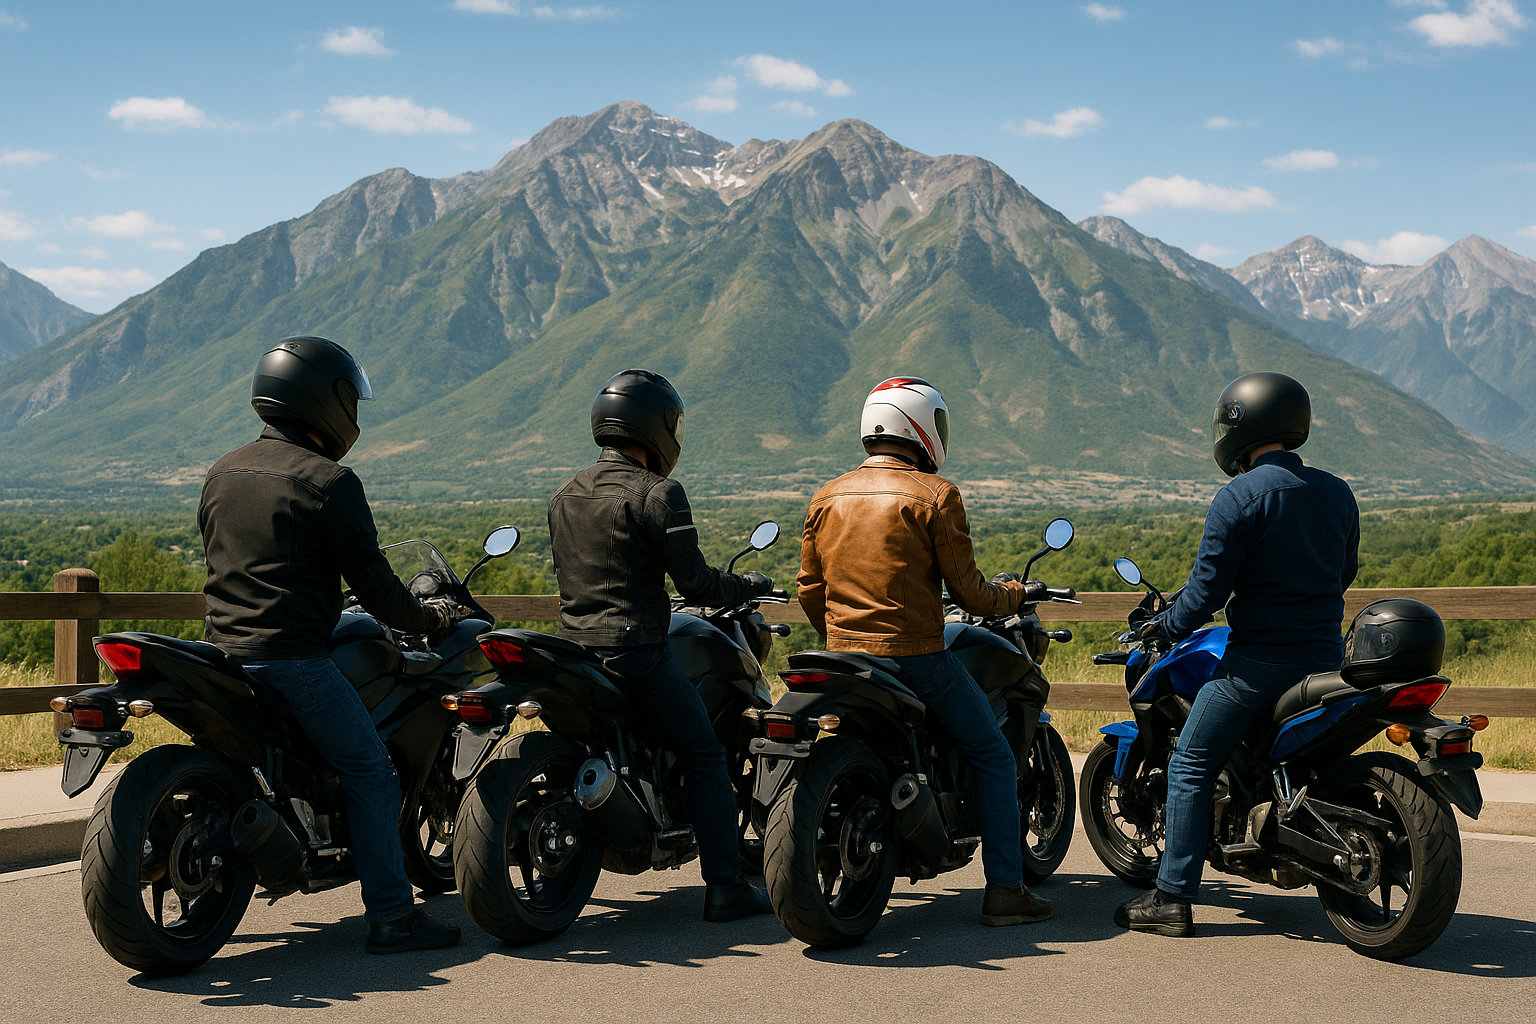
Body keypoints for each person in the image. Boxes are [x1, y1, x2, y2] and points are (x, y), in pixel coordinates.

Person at [199, 335, 462, 954]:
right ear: (326, 400)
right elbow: (377, 590)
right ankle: (394, 918)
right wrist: (428, 619)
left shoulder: (222, 471)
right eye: (350, 400)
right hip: (293, 660)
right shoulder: (329, 482)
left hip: (222, 653)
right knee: (371, 775)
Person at [797, 376, 1051, 927]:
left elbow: (810, 591)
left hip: (845, 658)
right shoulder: (936, 497)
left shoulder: (827, 496)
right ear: (919, 425)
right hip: (917, 657)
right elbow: (970, 594)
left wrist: (838, 638)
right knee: (993, 753)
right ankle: (1006, 890)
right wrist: (1016, 594)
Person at [1114, 371, 1360, 937]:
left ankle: (1171, 898)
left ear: (1237, 425)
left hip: (1257, 666)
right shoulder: (1336, 491)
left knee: (1190, 762)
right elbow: (1344, 574)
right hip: (1326, 658)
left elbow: (1206, 595)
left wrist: (1166, 627)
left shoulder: (1239, 497)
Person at [546, 368, 776, 922]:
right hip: (637, 653)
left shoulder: (565, 493)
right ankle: (725, 887)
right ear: (656, 427)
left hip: (574, 652)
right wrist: (748, 584)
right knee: (704, 757)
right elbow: (694, 583)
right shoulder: (658, 493)